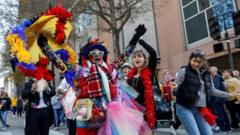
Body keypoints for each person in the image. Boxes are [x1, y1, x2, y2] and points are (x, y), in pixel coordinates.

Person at [174, 50, 237, 135]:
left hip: (200, 109)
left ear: (203, 62)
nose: (195, 64)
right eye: (194, 61)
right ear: (190, 60)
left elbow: (212, 90)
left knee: (207, 133)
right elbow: (175, 86)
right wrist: (173, 90)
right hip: (184, 107)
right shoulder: (184, 71)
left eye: (199, 62)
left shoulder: (207, 74)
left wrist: (229, 94)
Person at [127, 29, 157, 129]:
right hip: (132, 111)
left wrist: (141, 41)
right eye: (134, 57)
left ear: (144, 59)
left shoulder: (149, 71)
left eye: (139, 56)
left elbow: (153, 54)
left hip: (145, 111)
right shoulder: (130, 76)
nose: (136, 58)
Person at [209, 66, 231, 133]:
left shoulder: (217, 78)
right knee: (222, 113)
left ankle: (224, 128)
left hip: (218, 99)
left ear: (213, 71)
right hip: (218, 99)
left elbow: (216, 89)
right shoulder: (216, 77)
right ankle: (226, 127)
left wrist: (216, 99)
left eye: (210, 70)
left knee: (219, 114)